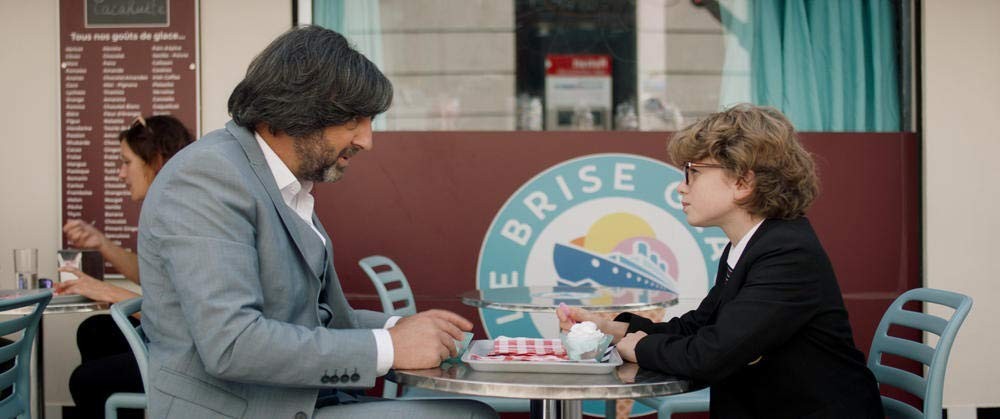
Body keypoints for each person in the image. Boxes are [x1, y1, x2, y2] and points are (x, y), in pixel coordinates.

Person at [137, 26, 496, 419]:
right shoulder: (208, 177)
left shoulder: (278, 183)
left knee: (469, 411)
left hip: (301, 400)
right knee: (469, 416)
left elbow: (323, 320)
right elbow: (232, 344)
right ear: (300, 108)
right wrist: (391, 347)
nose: (366, 140)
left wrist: (406, 328)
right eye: (354, 119)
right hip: (243, 411)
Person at [558, 104, 884, 418]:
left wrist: (641, 348)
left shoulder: (788, 255)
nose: (681, 187)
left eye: (693, 173)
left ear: (743, 182)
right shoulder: (751, 245)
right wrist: (609, 329)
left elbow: (711, 354)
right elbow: (699, 327)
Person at [59, 115, 194, 419]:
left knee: (86, 381)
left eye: (126, 162)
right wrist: (101, 243)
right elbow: (154, 278)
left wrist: (107, 291)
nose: (120, 173)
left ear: (156, 161)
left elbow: (179, 317)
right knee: (95, 331)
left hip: (188, 354)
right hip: (176, 338)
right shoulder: (168, 204)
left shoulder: (182, 215)